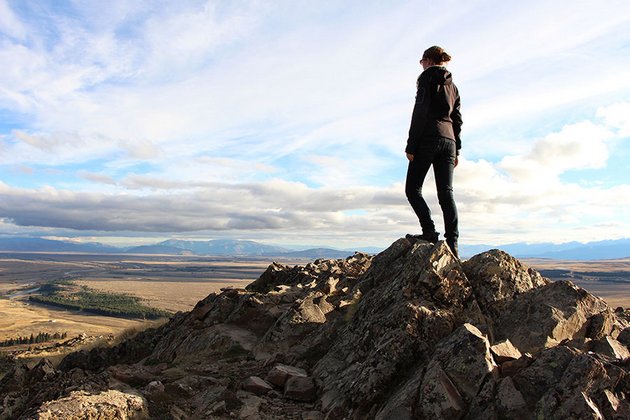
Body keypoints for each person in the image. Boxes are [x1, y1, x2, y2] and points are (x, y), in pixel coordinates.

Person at [404, 45, 462, 258]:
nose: (421, 65)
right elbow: (457, 120)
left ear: (428, 60)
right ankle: (453, 244)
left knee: (413, 189)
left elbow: (420, 111)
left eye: (421, 61)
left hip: (428, 138)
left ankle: (429, 232)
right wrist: (457, 150)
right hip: (449, 141)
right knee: (446, 192)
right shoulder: (453, 87)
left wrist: (412, 144)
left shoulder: (426, 78)